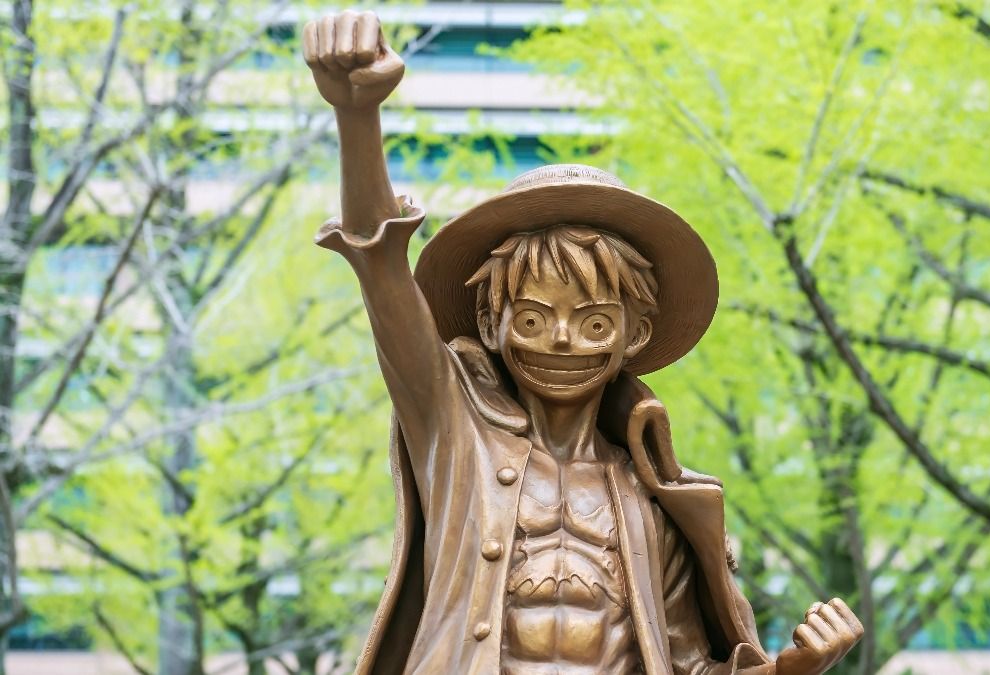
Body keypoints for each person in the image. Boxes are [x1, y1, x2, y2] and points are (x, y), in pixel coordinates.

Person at [302, 11, 864, 675]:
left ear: (635, 334)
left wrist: (792, 667)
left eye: (595, 323)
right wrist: (357, 117)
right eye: (533, 319)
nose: (563, 341)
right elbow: (381, 269)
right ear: (491, 324)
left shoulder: (654, 503)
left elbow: (689, 664)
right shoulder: (456, 436)